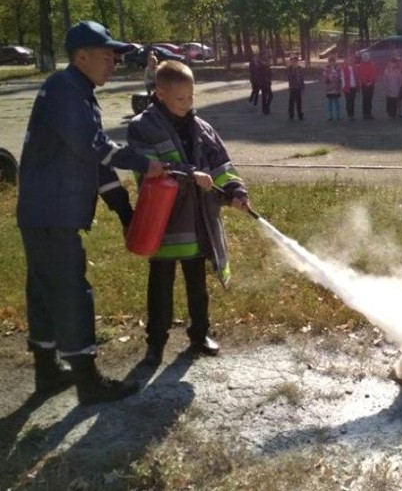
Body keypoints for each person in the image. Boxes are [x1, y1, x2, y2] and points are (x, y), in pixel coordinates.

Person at [16, 20, 165, 405]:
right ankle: (87, 381)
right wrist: (142, 161)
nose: (113, 64)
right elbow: (95, 147)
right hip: (51, 210)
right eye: (106, 56)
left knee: (46, 288)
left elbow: (94, 163)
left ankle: (47, 372)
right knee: (69, 290)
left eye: (114, 57)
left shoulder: (76, 91)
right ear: (81, 56)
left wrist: (123, 209)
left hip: (46, 210)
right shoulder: (65, 91)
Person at [127, 61, 250, 366]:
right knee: (161, 285)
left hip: (198, 223)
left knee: (197, 282)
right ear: (160, 93)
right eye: (181, 98)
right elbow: (148, 169)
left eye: (191, 97)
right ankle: (156, 342)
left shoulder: (202, 128)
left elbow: (222, 165)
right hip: (164, 222)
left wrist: (235, 191)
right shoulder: (143, 127)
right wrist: (191, 174)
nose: (188, 103)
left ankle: (200, 333)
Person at [357, 52, 377, 119]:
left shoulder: (372, 64)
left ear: (369, 57)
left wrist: (370, 82)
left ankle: (369, 113)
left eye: (367, 56)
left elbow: (374, 73)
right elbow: (361, 75)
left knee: (370, 99)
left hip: (371, 84)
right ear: (362, 58)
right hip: (364, 84)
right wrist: (366, 82)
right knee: (365, 99)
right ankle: (365, 114)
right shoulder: (361, 65)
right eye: (364, 57)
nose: (366, 58)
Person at [323, 55, 342, 121]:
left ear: (335, 61)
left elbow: (340, 77)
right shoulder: (326, 68)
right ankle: (330, 116)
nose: (331, 63)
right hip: (329, 89)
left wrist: (335, 77)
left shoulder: (338, 68)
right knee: (329, 103)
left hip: (336, 88)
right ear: (328, 62)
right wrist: (328, 78)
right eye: (330, 61)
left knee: (337, 102)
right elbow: (325, 78)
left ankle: (338, 116)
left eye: (333, 61)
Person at [286, 55, 305, 120]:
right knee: (291, 102)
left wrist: (302, 86)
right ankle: (291, 114)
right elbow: (289, 77)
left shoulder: (300, 69)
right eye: (292, 61)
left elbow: (302, 78)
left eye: (295, 61)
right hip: (292, 87)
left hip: (298, 87)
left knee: (299, 102)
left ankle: (300, 114)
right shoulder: (289, 69)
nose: (294, 62)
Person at [341, 54, 359, 120]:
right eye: (349, 60)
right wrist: (344, 87)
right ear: (346, 61)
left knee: (352, 101)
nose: (350, 61)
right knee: (348, 101)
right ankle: (349, 115)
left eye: (351, 60)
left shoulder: (355, 68)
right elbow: (342, 78)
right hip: (347, 87)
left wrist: (357, 85)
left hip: (353, 86)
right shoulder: (344, 69)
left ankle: (352, 114)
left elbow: (357, 77)